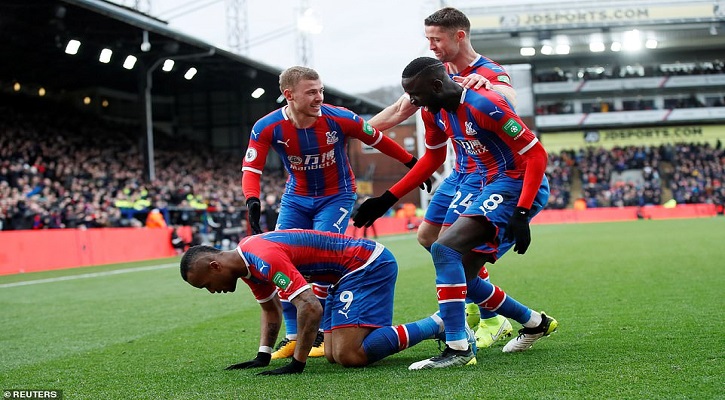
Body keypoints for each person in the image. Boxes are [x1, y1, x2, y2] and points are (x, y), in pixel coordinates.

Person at [353, 57, 558, 369]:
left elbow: (537, 154)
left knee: (444, 248)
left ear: (437, 85)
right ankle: (535, 323)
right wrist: (387, 198)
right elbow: (432, 158)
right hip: (485, 183)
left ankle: (458, 348)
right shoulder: (432, 111)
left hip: (516, 183)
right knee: (462, 273)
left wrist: (521, 211)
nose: (412, 102)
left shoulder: (485, 104)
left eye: (416, 95)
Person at [241, 66, 431, 360]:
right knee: (282, 260)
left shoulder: (340, 118)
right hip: (296, 198)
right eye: (311, 92)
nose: (319, 97)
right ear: (289, 95)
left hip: (337, 196)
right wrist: (252, 199)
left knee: (322, 257)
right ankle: (293, 336)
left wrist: (413, 164)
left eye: (321, 90)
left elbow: (378, 140)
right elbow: (252, 168)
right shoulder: (267, 126)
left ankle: (318, 332)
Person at [367, 6, 517, 349]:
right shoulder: (437, 73)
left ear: (459, 36)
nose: (431, 46)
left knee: (451, 248)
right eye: (428, 39)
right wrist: (349, 130)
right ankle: (486, 310)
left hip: (487, 174)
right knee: (427, 237)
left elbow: (507, 98)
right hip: (460, 171)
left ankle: (488, 318)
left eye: (436, 39)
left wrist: (488, 91)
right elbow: (398, 110)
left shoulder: (488, 72)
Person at [179, 229, 475, 374]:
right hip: (341, 276)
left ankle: (440, 323)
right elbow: (270, 308)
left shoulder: (261, 256)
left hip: (366, 264)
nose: (210, 291)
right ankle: (439, 323)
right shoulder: (247, 266)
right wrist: (263, 355)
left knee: (350, 355)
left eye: (205, 285)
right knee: (334, 355)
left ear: (215, 267)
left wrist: (297, 363)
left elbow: (310, 307)